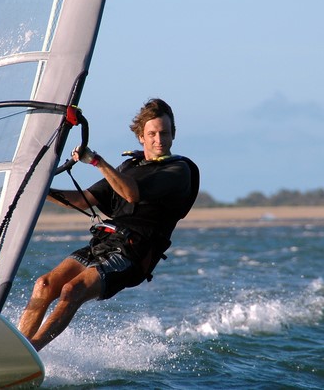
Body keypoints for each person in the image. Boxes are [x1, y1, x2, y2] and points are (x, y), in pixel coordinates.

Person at [18, 98, 199, 352]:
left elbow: (132, 195)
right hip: (106, 242)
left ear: (173, 135)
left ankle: (29, 351)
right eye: (152, 134)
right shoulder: (129, 167)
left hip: (134, 253)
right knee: (45, 284)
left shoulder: (178, 171)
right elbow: (83, 200)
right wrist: (37, 188)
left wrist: (97, 162)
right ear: (141, 137)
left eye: (165, 133)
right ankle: (15, 345)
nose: (159, 140)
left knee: (72, 290)